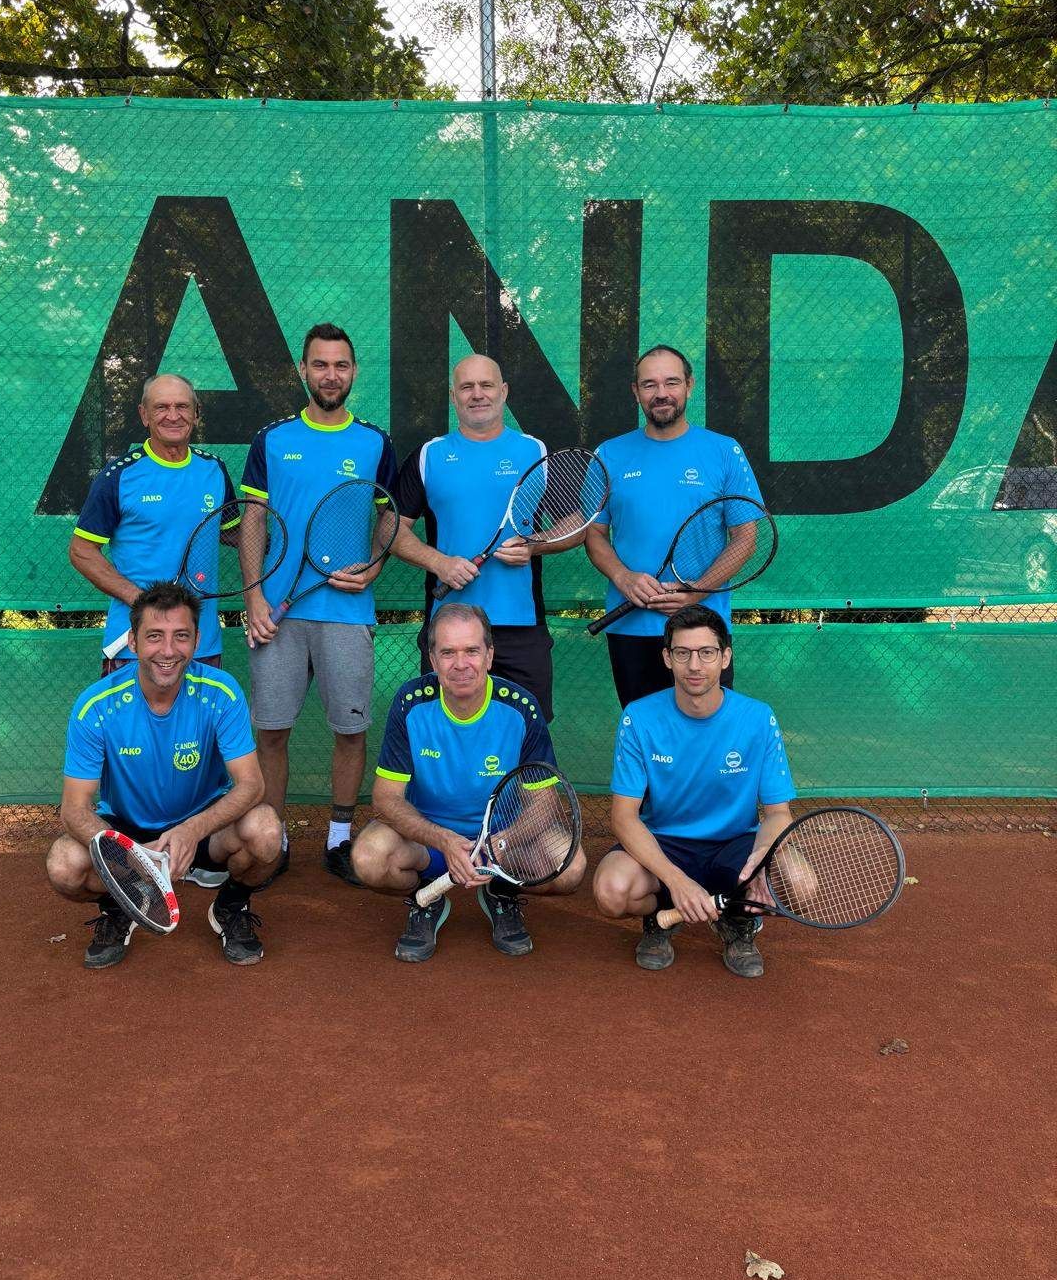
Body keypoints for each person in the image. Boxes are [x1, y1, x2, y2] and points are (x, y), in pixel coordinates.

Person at [45, 582, 284, 969]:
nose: (169, 651)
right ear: (134, 642)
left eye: (181, 637)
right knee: (64, 865)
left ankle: (230, 905)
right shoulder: (96, 706)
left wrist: (192, 830)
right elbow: (74, 810)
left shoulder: (221, 692)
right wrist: (131, 857)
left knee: (267, 831)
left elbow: (252, 783)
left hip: (205, 827)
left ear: (197, 641)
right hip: (126, 830)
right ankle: (121, 905)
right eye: (155, 637)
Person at [241, 323, 397, 887]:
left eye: (341, 365)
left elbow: (389, 516)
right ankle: (273, 835)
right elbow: (253, 518)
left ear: (354, 372)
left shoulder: (376, 442)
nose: (331, 375)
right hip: (278, 613)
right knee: (272, 731)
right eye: (320, 365)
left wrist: (376, 566)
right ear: (303, 371)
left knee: (349, 731)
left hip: (347, 614)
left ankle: (338, 837)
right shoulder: (273, 439)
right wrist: (255, 594)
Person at [350, 603, 587, 962]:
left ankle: (501, 892)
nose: (461, 664)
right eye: (448, 652)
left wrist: (500, 844)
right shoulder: (410, 703)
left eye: (472, 651)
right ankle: (427, 897)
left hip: (500, 846)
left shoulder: (521, 706)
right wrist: (443, 840)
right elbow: (386, 800)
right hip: (427, 840)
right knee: (368, 858)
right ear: (432, 659)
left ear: (489, 655)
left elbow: (545, 802)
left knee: (570, 869)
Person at [592, 605, 795, 979]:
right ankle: (661, 916)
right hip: (666, 842)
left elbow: (778, 813)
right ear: (667, 658)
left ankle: (736, 920)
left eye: (707, 653)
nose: (695, 666)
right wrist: (676, 880)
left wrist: (763, 858)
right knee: (611, 890)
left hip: (736, 842)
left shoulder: (758, 717)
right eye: (683, 653)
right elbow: (623, 816)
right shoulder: (639, 717)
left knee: (799, 883)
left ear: (725, 657)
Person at [391, 354, 575, 721]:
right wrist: (439, 563)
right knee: (444, 733)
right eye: (467, 387)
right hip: (448, 627)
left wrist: (535, 545)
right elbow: (391, 531)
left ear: (503, 392)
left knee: (528, 740)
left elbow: (575, 523)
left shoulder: (535, 451)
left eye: (487, 385)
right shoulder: (429, 456)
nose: (478, 394)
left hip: (521, 627)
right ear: (452, 395)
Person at [585, 344, 764, 707]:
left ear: (689, 386)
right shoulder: (609, 455)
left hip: (703, 628)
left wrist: (697, 591)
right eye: (649, 385)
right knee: (645, 736)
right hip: (630, 628)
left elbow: (745, 538)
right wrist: (623, 578)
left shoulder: (724, 451)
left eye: (671, 382)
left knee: (707, 738)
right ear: (636, 392)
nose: (661, 393)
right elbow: (594, 533)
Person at [69, 373, 237, 673]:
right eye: (161, 407)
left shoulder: (214, 470)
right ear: (144, 415)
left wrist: (286, 542)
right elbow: (81, 551)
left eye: (183, 407)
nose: (173, 416)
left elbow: (233, 533)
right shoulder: (118, 476)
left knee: (199, 723)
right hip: (136, 646)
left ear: (196, 413)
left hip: (202, 644)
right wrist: (141, 600)